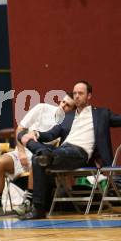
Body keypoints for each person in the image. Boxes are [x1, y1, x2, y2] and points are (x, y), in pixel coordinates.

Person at [19, 81, 121, 220]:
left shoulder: (101, 114)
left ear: (89, 95)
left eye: (81, 93)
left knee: (39, 157)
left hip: (79, 153)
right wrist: (35, 134)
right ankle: (39, 209)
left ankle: (38, 208)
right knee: (26, 141)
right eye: (75, 93)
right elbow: (50, 134)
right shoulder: (67, 117)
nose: (77, 96)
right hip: (61, 151)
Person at [0, 93, 76, 218]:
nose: (63, 106)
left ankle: (27, 203)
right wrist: (21, 152)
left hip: (42, 155)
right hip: (23, 151)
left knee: (36, 161)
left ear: (73, 110)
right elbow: (20, 130)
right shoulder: (42, 108)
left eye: (68, 105)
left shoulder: (69, 123)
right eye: (63, 102)